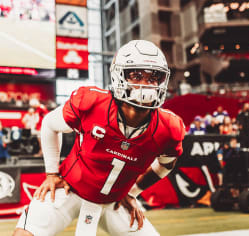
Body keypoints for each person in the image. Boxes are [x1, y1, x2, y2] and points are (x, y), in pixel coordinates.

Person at [14, 40, 185, 236]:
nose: (147, 84)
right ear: (119, 75)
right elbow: (49, 125)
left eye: (154, 77)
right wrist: (52, 173)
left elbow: (167, 164)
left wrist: (133, 191)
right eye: (137, 75)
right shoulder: (92, 103)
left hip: (114, 201)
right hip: (71, 190)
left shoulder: (169, 127)